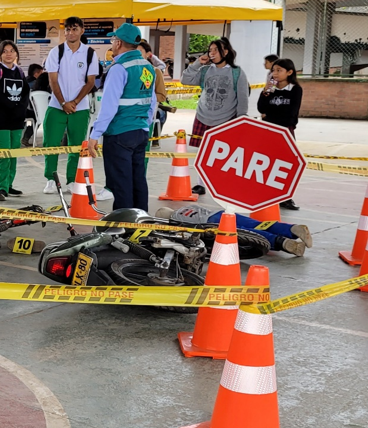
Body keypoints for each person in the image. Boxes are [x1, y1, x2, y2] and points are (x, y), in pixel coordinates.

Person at [85, 24, 156, 211]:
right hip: (140, 131)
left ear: (119, 43)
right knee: (138, 180)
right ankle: (141, 223)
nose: (112, 44)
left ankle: (124, 227)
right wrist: (145, 125)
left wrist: (95, 135)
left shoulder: (119, 68)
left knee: (121, 184)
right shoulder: (148, 67)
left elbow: (108, 107)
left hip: (119, 134)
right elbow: (152, 102)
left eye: (112, 40)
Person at [180, 36, 250, 193]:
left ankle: (223, 183)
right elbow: (185, 79)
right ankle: (201, 184)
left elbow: (242, 98)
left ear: (225, 52)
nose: (211, 53)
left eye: (215, 50)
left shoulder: (237, 72)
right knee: (202, 153)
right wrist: (198, 63)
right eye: (210, 50)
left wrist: (241, 120)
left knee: (224, 155)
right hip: (203, 117)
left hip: (225, 119)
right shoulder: (205, 70)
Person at [41, 16, 100, 196]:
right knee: (51, 144)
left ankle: (72, 179)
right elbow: (52, 80)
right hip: (56, 106)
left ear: (82, 30)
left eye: (74, 29)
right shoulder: (56, 52)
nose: (70, 33)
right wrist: (63, 102)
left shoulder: (90, 53)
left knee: (77, 145)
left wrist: (74, 102)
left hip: (79, 108)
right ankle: (51, 179)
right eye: (67, 29)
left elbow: (90, 82)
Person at [157, 206, 312, 257]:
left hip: (212, 224)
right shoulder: (186, 208)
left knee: (248, 234)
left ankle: (284, 243)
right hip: (220, 213)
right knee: (258, 225)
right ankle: (292, 229)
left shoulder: (175, 221)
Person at [0, 41, 28, 200]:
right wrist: (12, 106)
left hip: (16, 121)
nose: (8, 54)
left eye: (12, 51)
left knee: (13, 154)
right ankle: (2, 188)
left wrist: (19, 109)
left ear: (16, 54)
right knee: (3, 154)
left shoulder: (20, 72)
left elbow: (25, 94)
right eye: (5, 51)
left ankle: (9, 184)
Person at [259, 57, 303, 211]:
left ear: (289, 72)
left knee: (285, 164)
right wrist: (265, 92)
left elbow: (291, 113)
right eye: (273, 70)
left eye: (279, 70)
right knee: (266, 162)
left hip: (285, 130)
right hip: (267, 130)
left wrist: (269, 115)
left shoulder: (295, 90)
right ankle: (265, 194)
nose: (275, 74)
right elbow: (261, 108)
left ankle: (285, 197)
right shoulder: (270, 89)